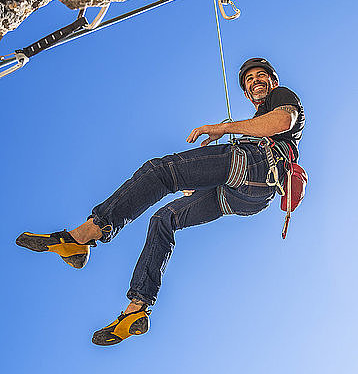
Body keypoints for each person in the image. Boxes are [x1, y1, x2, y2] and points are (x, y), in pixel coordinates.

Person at [16, 57, 305, 346]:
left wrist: (224, 128)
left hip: (257, 166)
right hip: (244, 196)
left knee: (161, 172)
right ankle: (135, 310)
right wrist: (198, 182)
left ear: (273, 81)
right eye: (250, 79)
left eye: (260, 76)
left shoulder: (281, 97)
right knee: (163, 219)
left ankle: (87, 233)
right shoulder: (257, 118)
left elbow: (283, 121)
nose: (256, 81)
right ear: (246, 93)